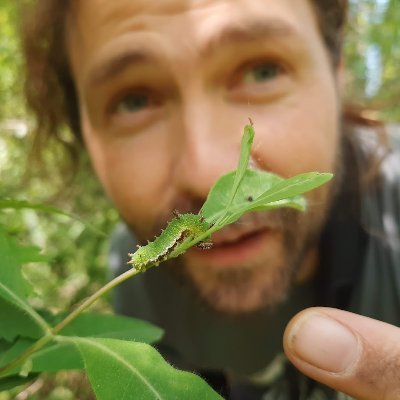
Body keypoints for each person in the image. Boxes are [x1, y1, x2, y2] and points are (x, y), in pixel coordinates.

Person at [21, 0, 400, 398]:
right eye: (135, 100)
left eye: (263, 71)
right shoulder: (136, 282)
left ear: (337, 74)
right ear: (84, 135)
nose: (206, 174)